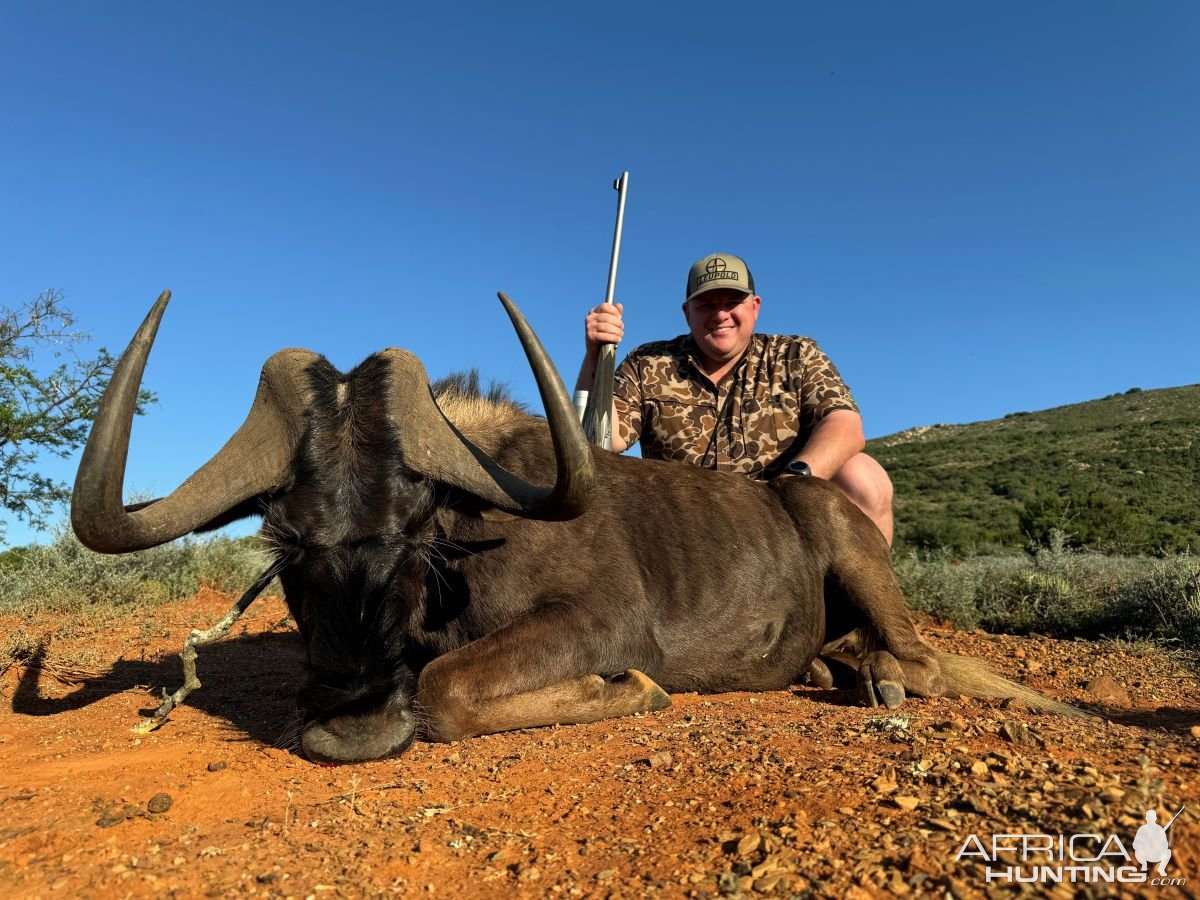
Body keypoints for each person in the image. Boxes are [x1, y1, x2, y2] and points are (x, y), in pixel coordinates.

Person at [576, 252, 895, 545]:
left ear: (755, 307)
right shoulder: (647, 362)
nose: (720, 314)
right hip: (678, 524)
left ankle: (867, 604)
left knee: (863, 478)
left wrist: (794, 485)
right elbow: (600, 439)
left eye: (732, 302)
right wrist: (595, 357)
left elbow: (844, 424)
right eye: (706, 305)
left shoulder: (795, 355)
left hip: (780, 517)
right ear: (687, 313)